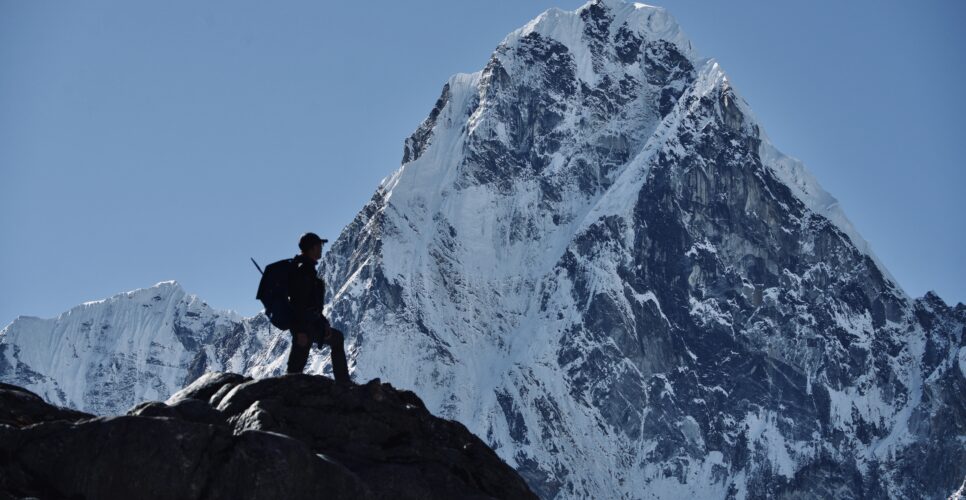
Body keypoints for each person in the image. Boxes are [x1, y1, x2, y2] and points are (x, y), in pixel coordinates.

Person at [286, 232, 350, 383]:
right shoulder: (304, 272)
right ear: (312, 248)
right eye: (319, 245)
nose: (321, 248)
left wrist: (323, 323)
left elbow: (311, 304)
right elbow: (299, 304)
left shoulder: (305, 269)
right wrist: (300, 331)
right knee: (294, 371)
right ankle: (343, 383)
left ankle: (344, 382)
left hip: (311, 324)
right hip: (304, 327)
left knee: (337, 339)